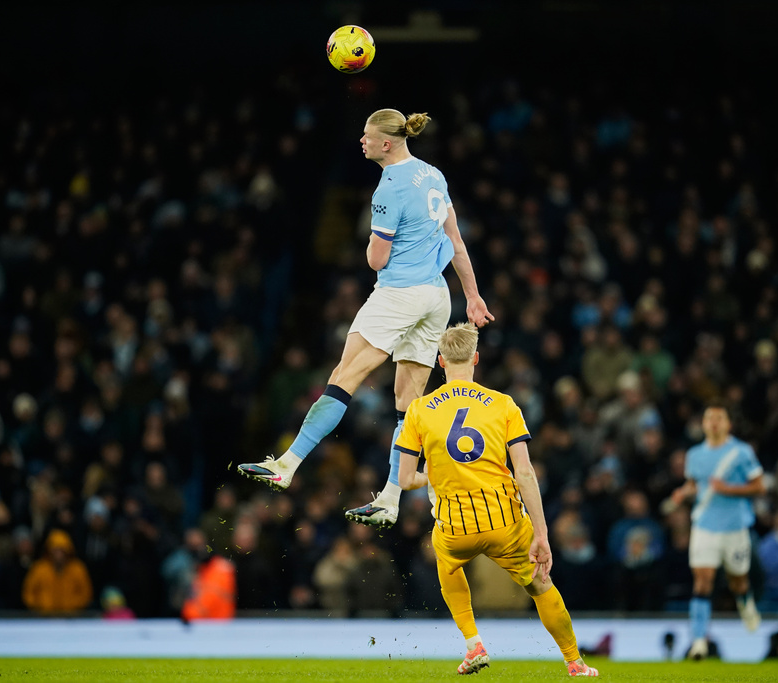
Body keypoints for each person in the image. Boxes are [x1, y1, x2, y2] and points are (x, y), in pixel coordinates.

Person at [238, 109, 493, 529]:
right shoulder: (433, 174)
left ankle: (288, 463)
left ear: (386, 144)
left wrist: (375, 245)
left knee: (344, 376)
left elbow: (377, 259)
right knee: (407, 405)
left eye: (367, 136)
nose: (362, 141)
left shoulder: (388, 188)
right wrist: (473, 296)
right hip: (437, 296)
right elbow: (456, 240)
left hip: (398, 295)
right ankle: (391, 498)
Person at [396, 323, 599, 677]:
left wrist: (437, 474)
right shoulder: (504, 404)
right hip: (504, 521)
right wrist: (541, 533)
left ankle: (473, 643)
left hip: (455, 525)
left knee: (447, 564)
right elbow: (525, 473)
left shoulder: (418, 410)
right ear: (475, 358)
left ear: (441, 362)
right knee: (540, 585)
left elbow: (405, 479)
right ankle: (575, 662)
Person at [670, 400, 765, 660]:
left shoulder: (741, 452)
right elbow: (695, 485)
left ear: (728, 424)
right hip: (704, 525)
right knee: (702, 580)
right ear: (703, 424)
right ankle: (699, 641)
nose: (713, 422)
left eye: (719, 418)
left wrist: (729, 489)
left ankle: (745, 601)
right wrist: (683, 493)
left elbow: (759, 486)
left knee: (738, 580)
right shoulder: (695, 455)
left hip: (735, 527)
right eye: (709, 418)